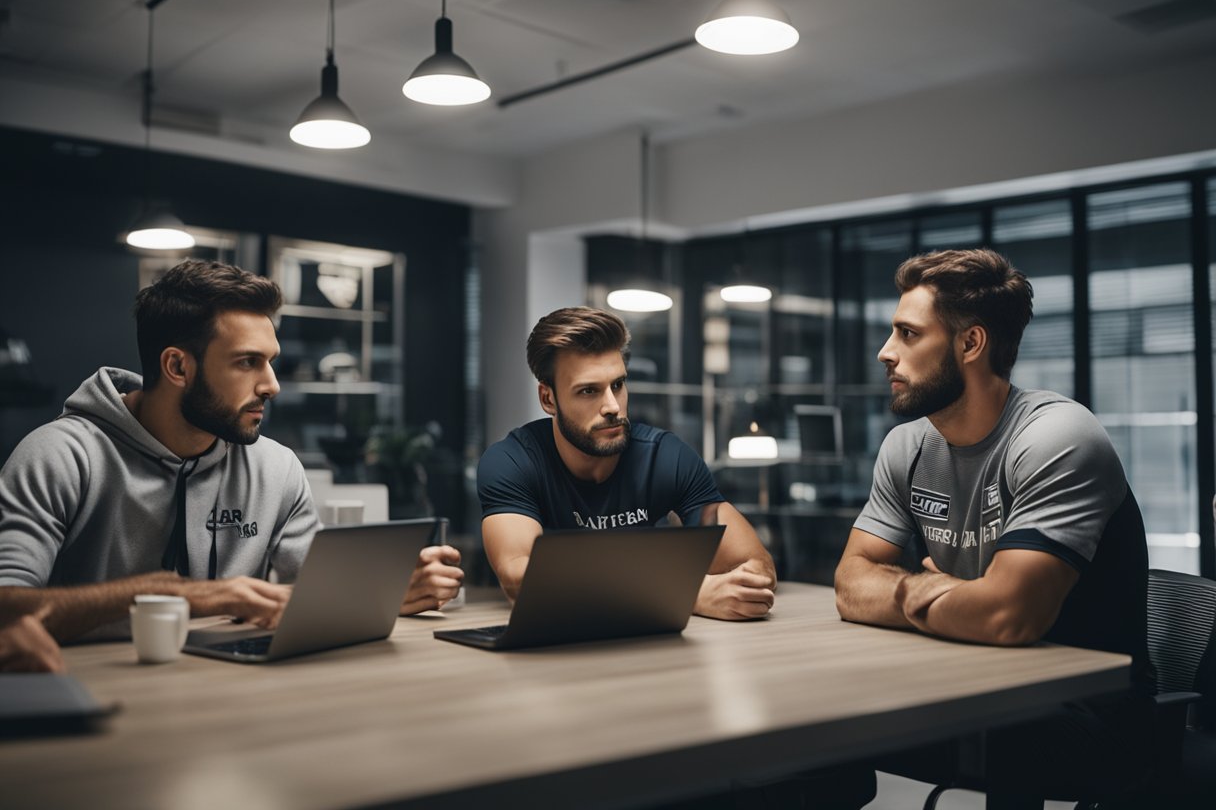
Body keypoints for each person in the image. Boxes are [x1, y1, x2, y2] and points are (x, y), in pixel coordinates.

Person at [0, 260, 462, 644]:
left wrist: (393, 589)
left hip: (233, 693)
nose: (272, 386)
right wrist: (179, 595)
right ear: (178, 366)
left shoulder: (275, 467)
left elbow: (321, 593)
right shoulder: (60, 456)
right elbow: (6, 608)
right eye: (247, 362)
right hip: (93, 689)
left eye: (270, 362)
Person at [835, 248, 1154, 799]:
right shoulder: (907, 446)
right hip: (974, 681)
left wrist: (913, 592)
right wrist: (929, 591)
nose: (885, 352)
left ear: (970, 344)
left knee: (1003, 734)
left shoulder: (1057, 437)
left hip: (1092, 713)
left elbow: (1009, 616)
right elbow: (850, 582)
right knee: (827, 717)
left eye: (908, 334)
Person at [477, 306, 775, 620]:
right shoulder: (512, 462)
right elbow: (520, 581)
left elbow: (757, 567)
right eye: (589, 391)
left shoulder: (666, 458)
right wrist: (688, 593)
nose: (612, 407)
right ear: (548, 399)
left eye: (618, 385)